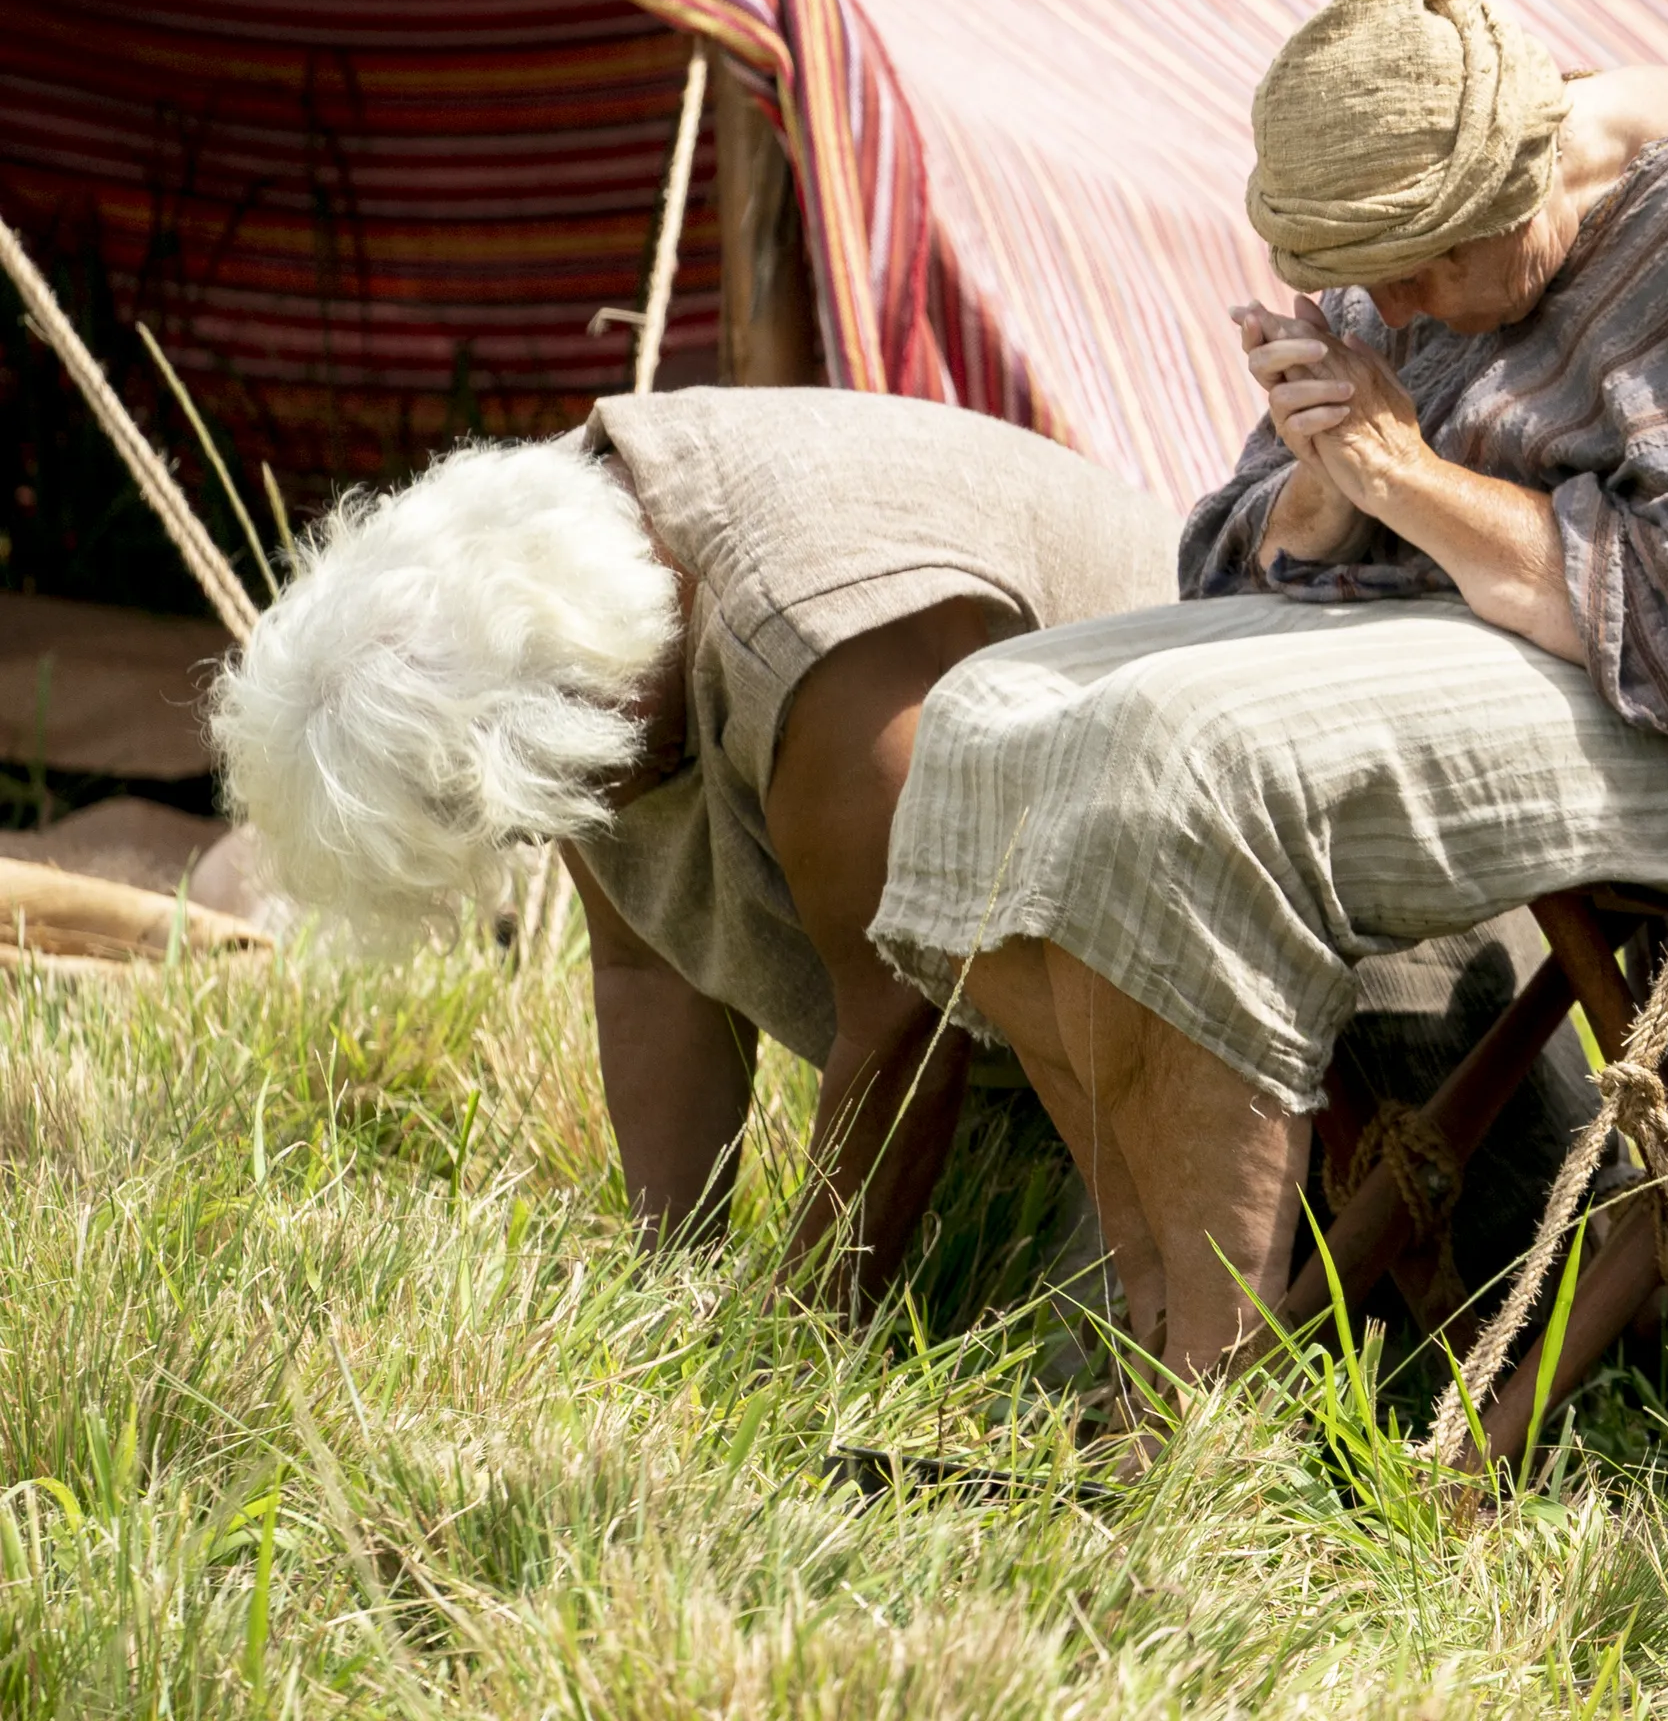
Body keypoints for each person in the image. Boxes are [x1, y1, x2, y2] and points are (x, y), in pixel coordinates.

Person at [871, 0, 1668, 1384]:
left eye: (1421, 268)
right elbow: (1246, 559)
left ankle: (1207, 1396)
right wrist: (1325, 479)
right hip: (1517, 661)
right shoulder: (1412, 218)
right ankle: (1154, 1307)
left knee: (1186, 755)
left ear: (1524, 175)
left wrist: (1408, 478)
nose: (1398, 307)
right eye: (1367, 281)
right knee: (990, 715)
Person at [207, 387, 1178, 1304]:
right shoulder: (540, 564)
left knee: (1078, 1347)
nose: (528, 839)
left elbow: (906, 1010)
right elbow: (647, 962)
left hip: (1180, 972)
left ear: (565, 709)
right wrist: (670, 1287)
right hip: (1029, 1014)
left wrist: (801, 1338)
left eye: (505, 818)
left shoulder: (807, 636)